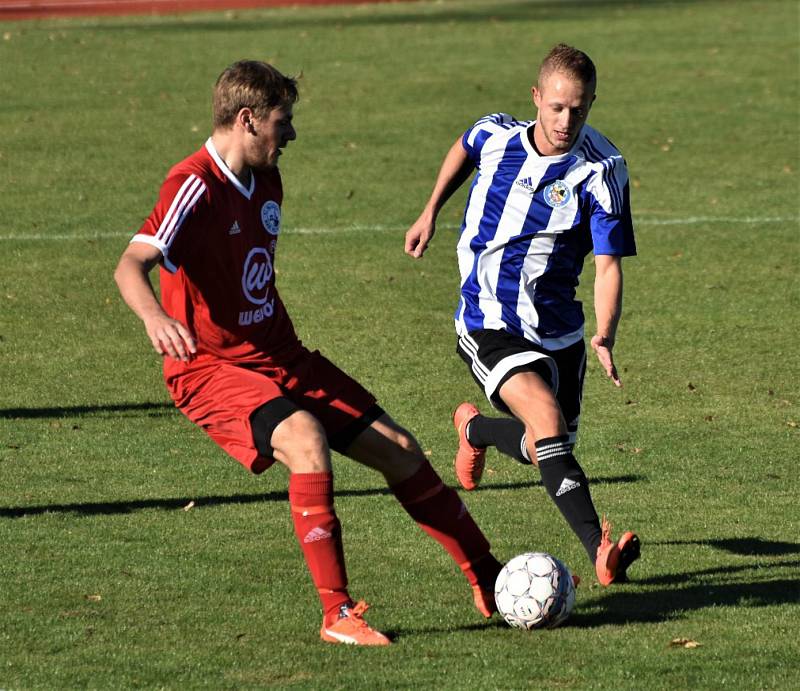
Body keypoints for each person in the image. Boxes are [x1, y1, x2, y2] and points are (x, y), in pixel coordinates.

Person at [114, 60, 504, 646]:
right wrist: (154, 316)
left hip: (282, 355)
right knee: (305, 439)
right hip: (211, 368)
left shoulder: (267, 179)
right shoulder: (192, 183)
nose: (291, 134)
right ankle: (337, 614)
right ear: (247, 120)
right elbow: (130, 263)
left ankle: (489, 576)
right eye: (282, 121)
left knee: (400, 449)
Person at [405, 44, 641, 586]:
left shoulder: (604, 171)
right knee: (549, 425)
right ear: (536, 97)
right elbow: (464, 147)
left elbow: (608, 266)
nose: (565, 121)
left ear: (592, 104)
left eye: (578, 110)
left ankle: (478, 431)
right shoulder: (496, 136)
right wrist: (430, 209)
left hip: (560, 330)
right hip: (488, 319)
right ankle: (600, 551)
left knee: (548, 448)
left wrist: (605, 334)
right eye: (556, 107)